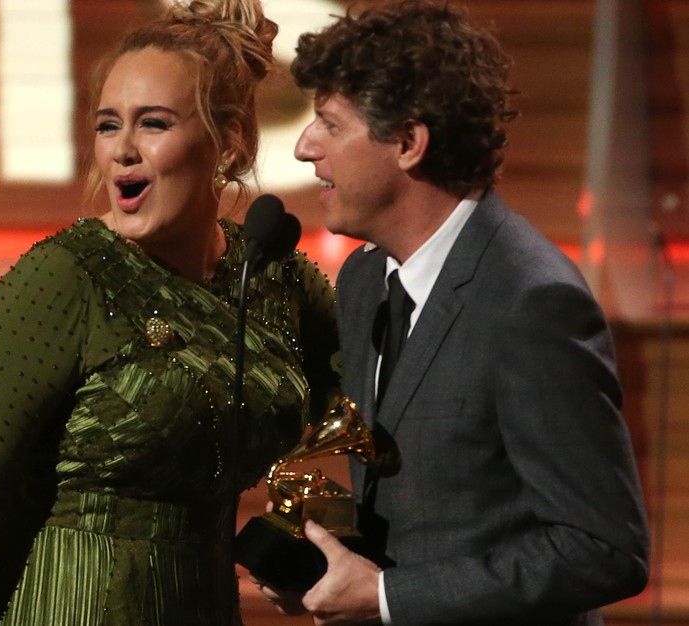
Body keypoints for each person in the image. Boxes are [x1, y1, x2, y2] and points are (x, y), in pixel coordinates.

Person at [0, 1, 339, 624]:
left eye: (154, 124)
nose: (122, 152)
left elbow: (374, 405)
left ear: (231, 142)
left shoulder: (275, 276)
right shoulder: (62, 278)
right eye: (108, 125)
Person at [253, 1, 650, 624]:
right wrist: (330, 570)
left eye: (329, 124)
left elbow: (603, 548)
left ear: (408, 144)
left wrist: (386, 598)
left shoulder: (533, 302)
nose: (305, 148)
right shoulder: (363, 277)